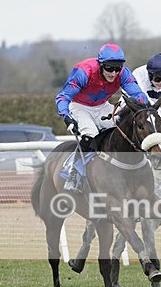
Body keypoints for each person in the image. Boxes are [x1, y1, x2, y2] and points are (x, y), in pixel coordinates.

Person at [55, 43, 148, 192]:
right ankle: (74, 173)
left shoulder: (123, 74)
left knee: (121, 129)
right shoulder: (84, 71)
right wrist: (66, 116)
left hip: (102, 105)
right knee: (90, 134)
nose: (113, 73)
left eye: (117, 69)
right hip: (79, 106)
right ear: (100, 65)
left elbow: (138, 94)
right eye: (109, 68)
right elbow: (63, 97)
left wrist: (144, 107)